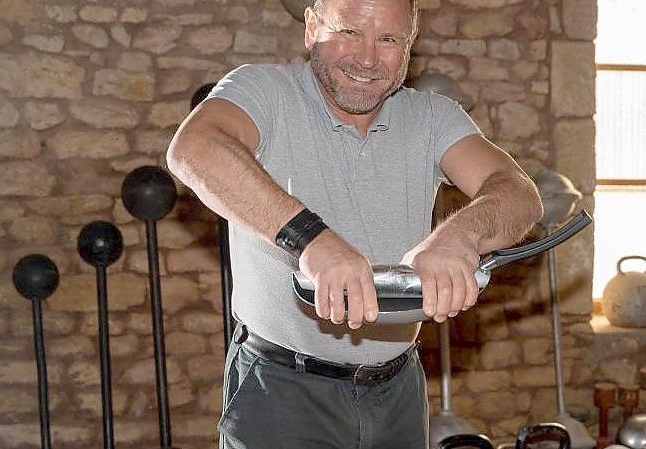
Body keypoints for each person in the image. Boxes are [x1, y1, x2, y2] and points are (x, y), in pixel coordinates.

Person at [166, 0, 543, 447]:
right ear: (311, 27)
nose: (367, 59)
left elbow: (519, 192)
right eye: (348, 32)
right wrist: (313, 243)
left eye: (388, 40)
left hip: (399, 389)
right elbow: (193, 149)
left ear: (410, 45)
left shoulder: (432, 116)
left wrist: (458, 238)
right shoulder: (264, 90)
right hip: (283, 389)